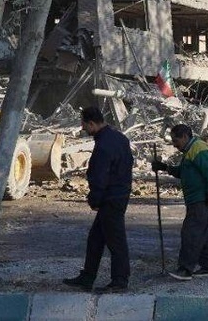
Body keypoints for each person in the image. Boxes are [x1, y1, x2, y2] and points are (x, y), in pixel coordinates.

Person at [64, 107, 133, 292]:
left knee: (116, 241)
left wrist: (95, 199)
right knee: (95, 239)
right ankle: (87, 277)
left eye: (84, 124)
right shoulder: (120, 138)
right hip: (120, 194)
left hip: (110, 198)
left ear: (92, 123)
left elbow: (99, 176)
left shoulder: (103, 145)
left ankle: (120, 281)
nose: (83, 128)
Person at [152, 124, 208, 280]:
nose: (174, 144)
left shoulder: (198, 148)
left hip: (200, 199)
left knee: (191, 233)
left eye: (176, 140)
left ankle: (185, 269)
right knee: (204, 233)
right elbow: (183, 172)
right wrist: (165, 167)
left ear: (184, 136)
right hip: (197, 199)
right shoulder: (190, 151)